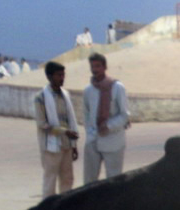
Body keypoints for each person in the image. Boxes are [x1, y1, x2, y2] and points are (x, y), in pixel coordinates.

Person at [82, 53, 131, 183]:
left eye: (98, 66)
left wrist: (108, 126)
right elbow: (86, 115)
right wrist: (90, 133)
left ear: (105, 67)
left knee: (113, 181)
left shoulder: (117, 87)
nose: (95, 69)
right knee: (89, 181)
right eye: (92, 66)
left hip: (113, 141)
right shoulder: (88, 90)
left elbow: (124, 115)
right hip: (93, 140)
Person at [34, 61, 79, 198]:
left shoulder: (66, 95)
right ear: (49, 76)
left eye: (63, 75)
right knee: (50, 181)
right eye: (59, 75)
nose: (62, 78)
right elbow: (42, 124)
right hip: (51, 147)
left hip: (66, 145)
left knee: (67, 179)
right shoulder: (41, 98)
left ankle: (64, 208)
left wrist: (74, 146)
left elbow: (70, 120)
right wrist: (64, 132)